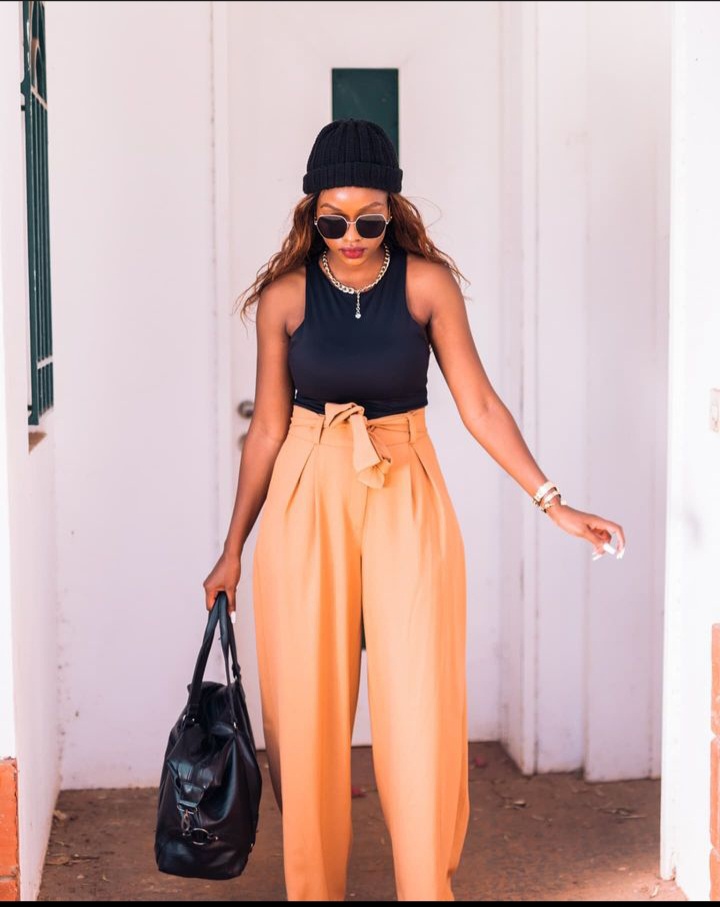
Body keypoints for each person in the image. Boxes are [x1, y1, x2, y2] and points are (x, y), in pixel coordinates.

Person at [203, 118, 626, 901]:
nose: (350, 237)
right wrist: (232, 548)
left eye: (368, 221)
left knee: (421, 702)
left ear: (392, 211)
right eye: (332, 221)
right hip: (305, 487)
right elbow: (265, 429)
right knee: (305, 710)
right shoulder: (285, 299)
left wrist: (554, 503)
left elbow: (480, 405)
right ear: (310, 214)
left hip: (406, 482)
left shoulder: (427, 285)